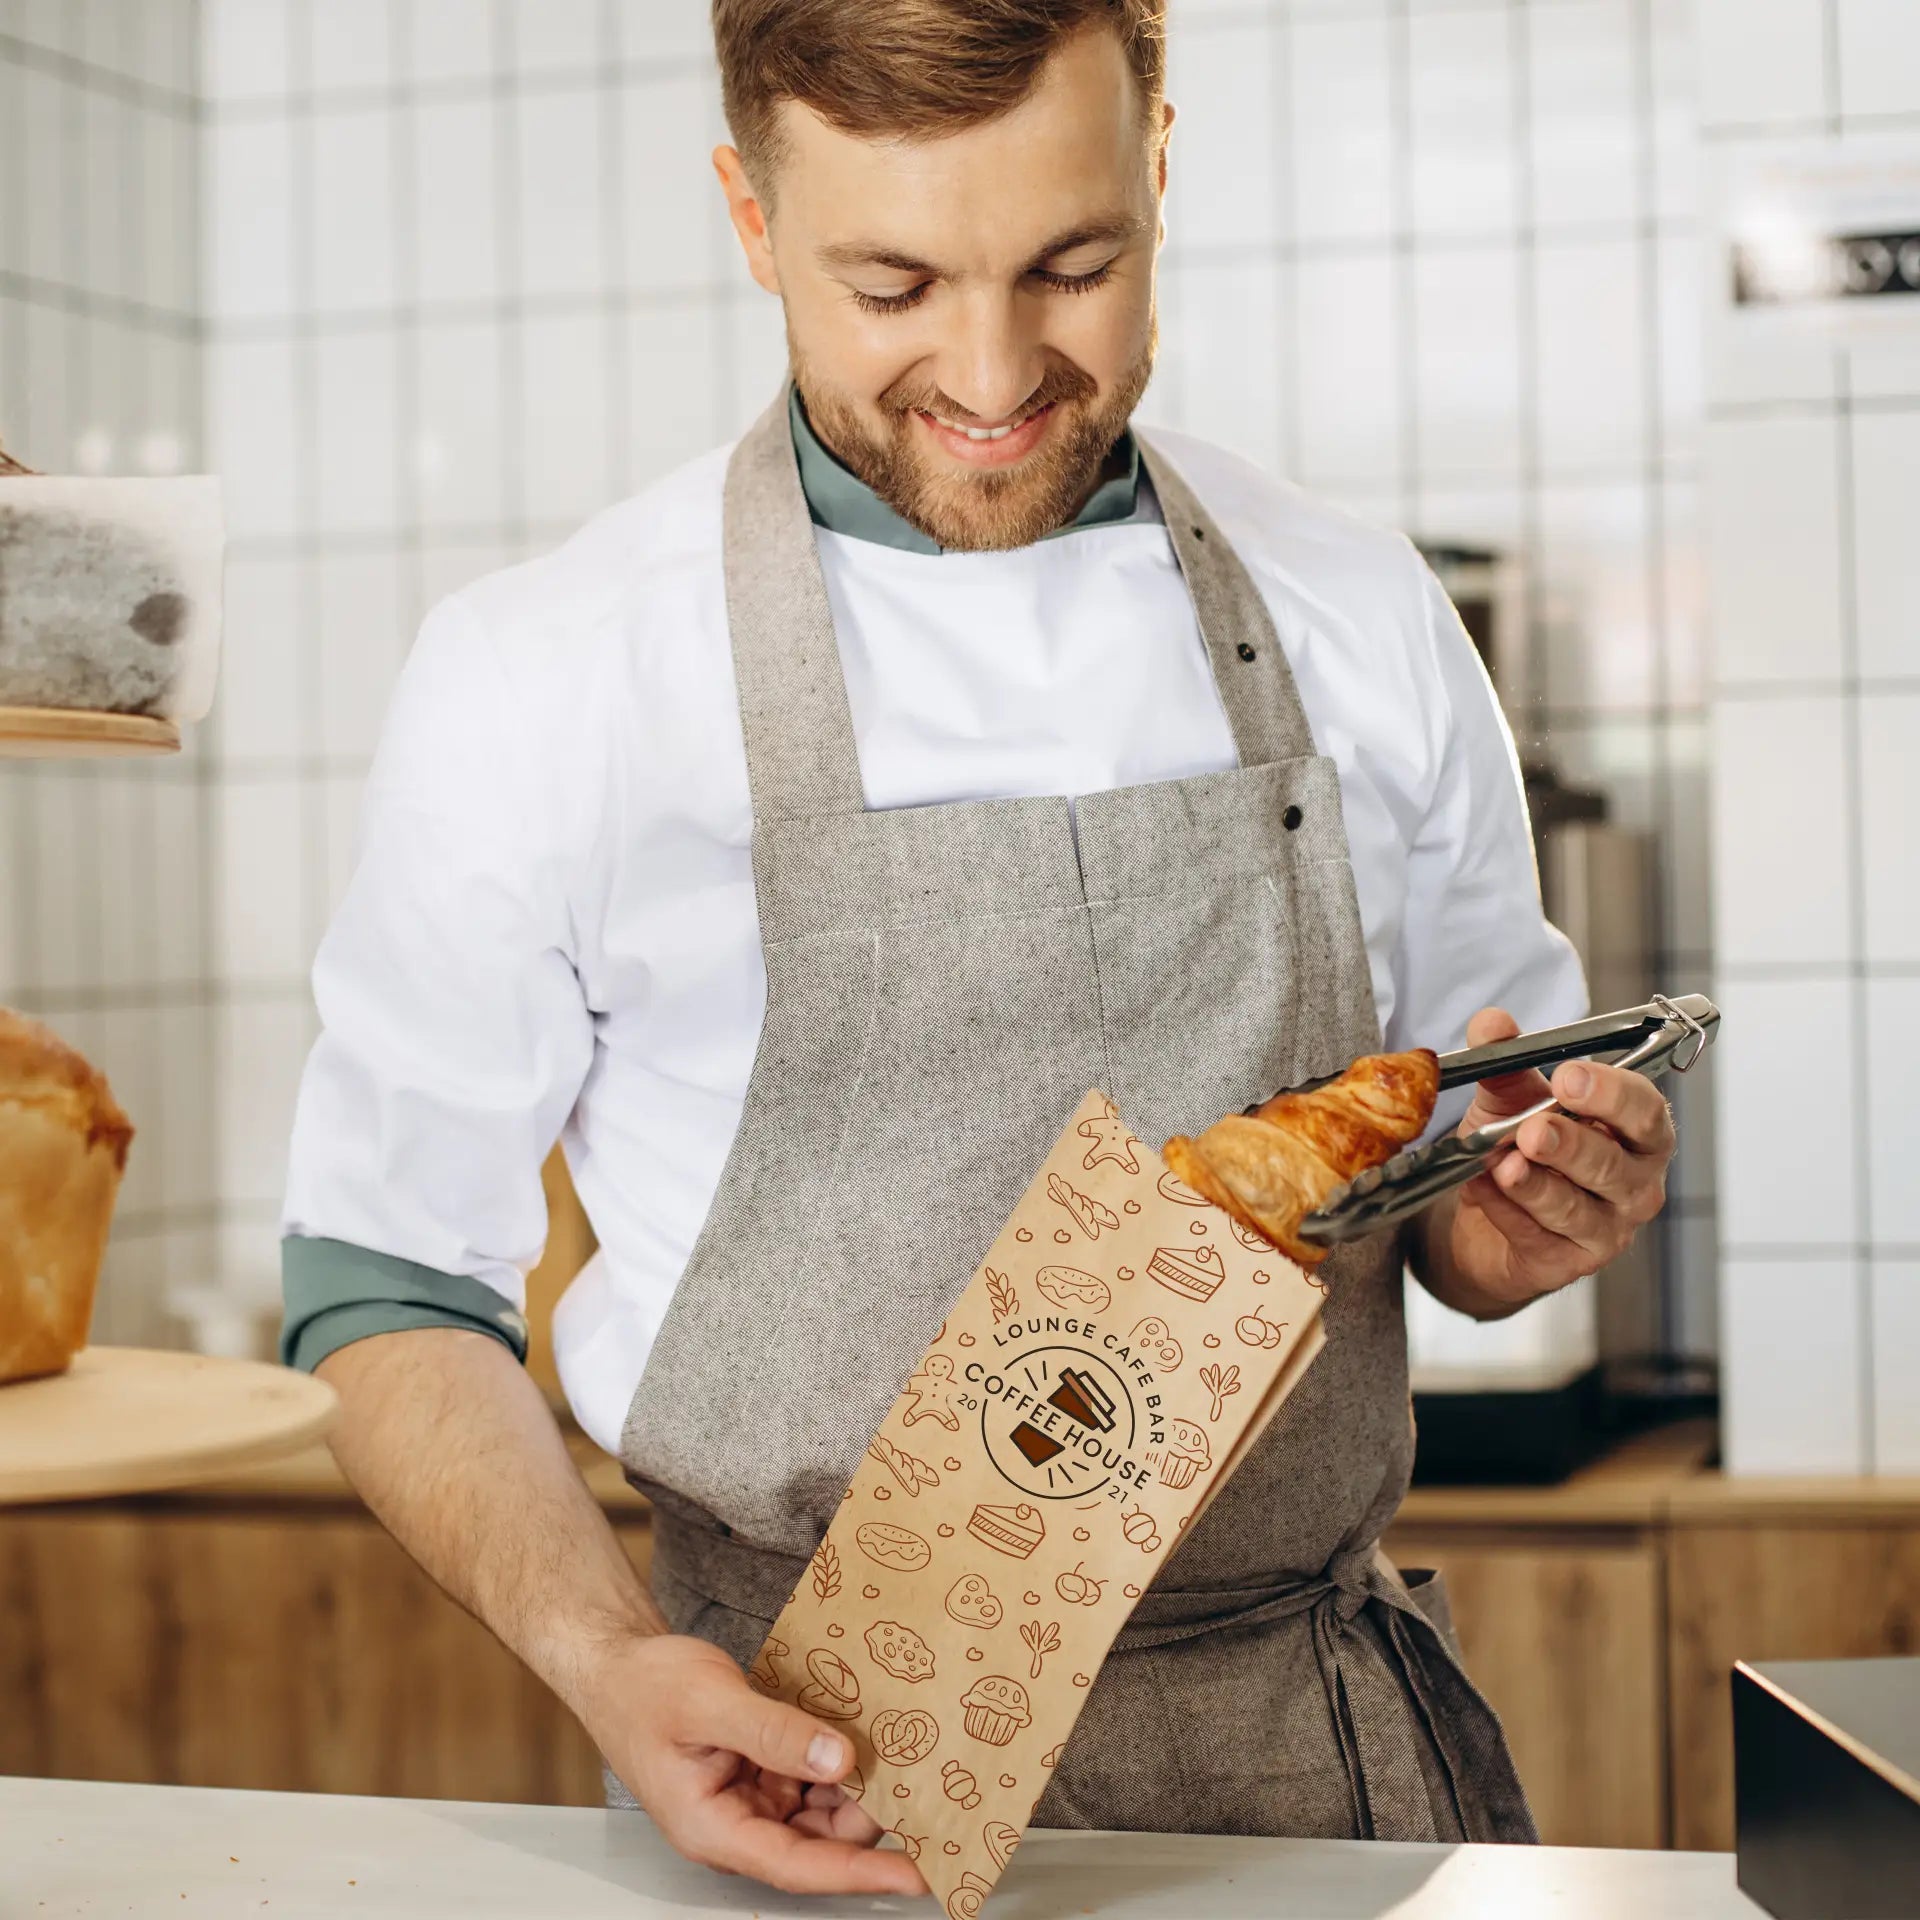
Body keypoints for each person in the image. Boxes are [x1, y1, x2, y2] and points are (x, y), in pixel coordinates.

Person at [280, 0, 1677, 1898]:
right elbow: (387, 1291)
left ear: (1160, 166)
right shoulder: (545, 675)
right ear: (753, 219)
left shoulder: (1361, 611)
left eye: (1073, 266)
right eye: (893, 286)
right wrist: (606, 1660)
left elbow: (1462, 1180)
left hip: (1311, 1770)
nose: (996, 372)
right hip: (803, 1784)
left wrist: (1513, 1231)